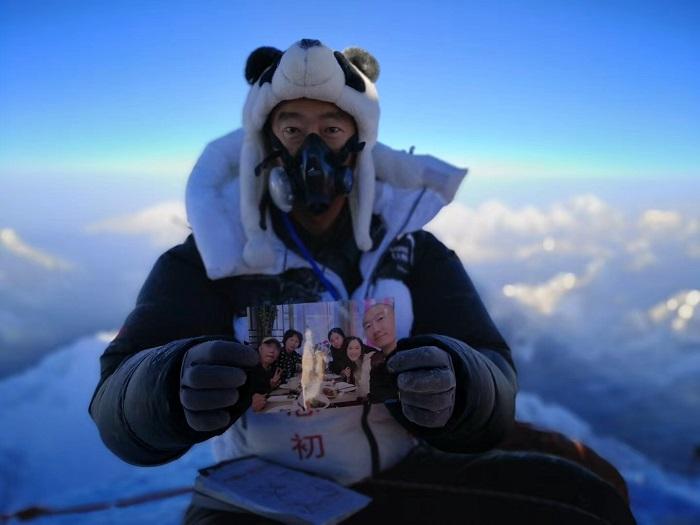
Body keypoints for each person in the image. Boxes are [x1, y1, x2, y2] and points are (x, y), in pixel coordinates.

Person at [89, 39, 635, 523]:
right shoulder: (207, 260)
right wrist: (168, 387)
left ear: (360, 143)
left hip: (402, 475)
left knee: (586, 502)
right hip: (259, 500)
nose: (312, 149)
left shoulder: (414, 253)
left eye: (331, 129)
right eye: (292, 128)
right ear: (265, 144)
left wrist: (458, 386)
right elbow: (117, 402)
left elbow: (493, 370)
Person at [250, 337, 283, 412]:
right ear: (260, 349)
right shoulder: (250, 368)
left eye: (276, 348)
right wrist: (249, 402)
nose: (272, 351)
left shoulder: (273, 369)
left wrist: (271, 386)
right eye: (269, 346)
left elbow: (265, 390)